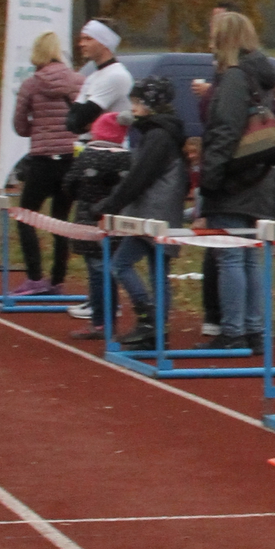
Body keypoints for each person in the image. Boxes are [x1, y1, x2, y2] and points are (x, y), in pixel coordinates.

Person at [198, 9, 275, 348]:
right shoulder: (260, 77)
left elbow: (225, 131)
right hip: (258, 177)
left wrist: (210, 179)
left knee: (231, 255)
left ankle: (234, 330)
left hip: (234, 179)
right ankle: (253, 329)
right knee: (249, 256)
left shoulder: (234, 78)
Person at [101, 77, 191, 350]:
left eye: (137, 102)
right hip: (162, 212)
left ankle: (148, 318)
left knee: (120, 265)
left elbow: (139, 177)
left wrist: (110, 204)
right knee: (157, 273)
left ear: (150, 104)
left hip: (152, 214)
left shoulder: (157, 136)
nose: (132, 108)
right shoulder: (164, 132)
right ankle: (157, 331)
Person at [12, 31, 82, 294]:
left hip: (42, 159)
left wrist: (40, 129)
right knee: (61, 221)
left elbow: (19, 125)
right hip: (70, 158)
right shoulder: (78, 82)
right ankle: (57, 279)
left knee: (25, 216)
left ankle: (34, 276)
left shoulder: (30, 85)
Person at [62, 112, 131, 337]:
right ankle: (108, 319)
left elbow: (69, 184)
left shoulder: (87, 155)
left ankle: (101, 322)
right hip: (118, 223)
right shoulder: (128, 158)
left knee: (97, 271)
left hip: (89, 220)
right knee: (110, 269)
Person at [67, 21, 133, 130]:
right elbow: (71, 122)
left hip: (108, 141)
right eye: (82, 39)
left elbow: (79, 120)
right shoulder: (93, 76)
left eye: (88, 39)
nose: (81, 44)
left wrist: (85, 122)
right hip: (90, 140)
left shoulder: (116, 75)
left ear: (104, 42)